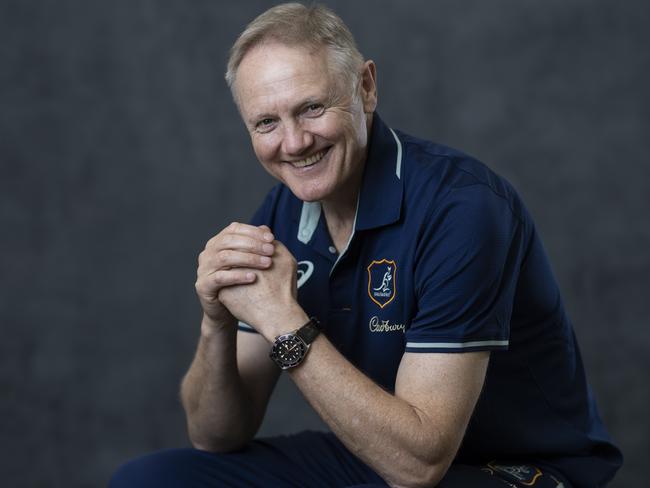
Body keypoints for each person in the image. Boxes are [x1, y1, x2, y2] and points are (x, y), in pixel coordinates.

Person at [110, 3, 622, 487]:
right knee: (149, 481)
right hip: (376, 453)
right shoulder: (280, 214)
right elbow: (214, 434)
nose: (293, 143)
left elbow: (420, 464)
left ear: (366, 87)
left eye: (311, 108)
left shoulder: (462, 209)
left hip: (514, 467)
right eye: (267, 122)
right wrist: (215, 322)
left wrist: (285, 321)